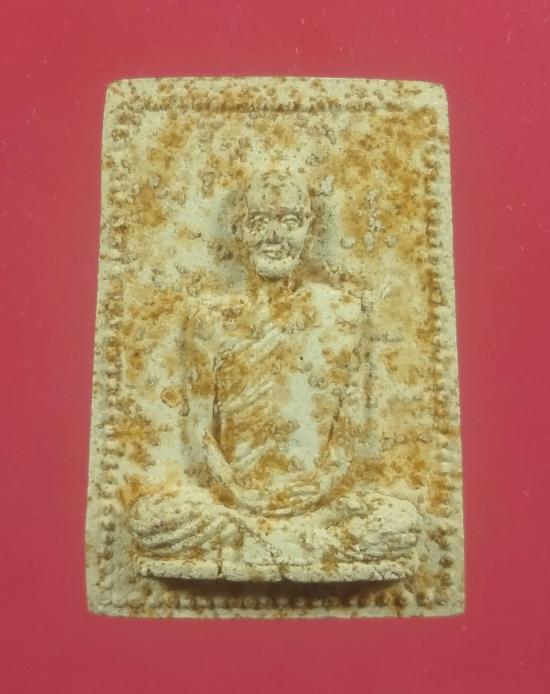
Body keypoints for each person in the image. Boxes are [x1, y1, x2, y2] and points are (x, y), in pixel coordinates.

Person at [129, 170, 420, 582]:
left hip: (319, 503)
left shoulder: (341, 312)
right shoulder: (210, 317)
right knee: (150, 518)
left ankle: (269, 544)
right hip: (231, 502)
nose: (274, 236)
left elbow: (349, 426)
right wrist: (238, 492)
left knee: (399, 520)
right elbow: (199, 429)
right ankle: (292, 546)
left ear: (309, 229)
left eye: (289, 221)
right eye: (259, 222)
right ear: (239, 231)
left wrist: (319, 487)